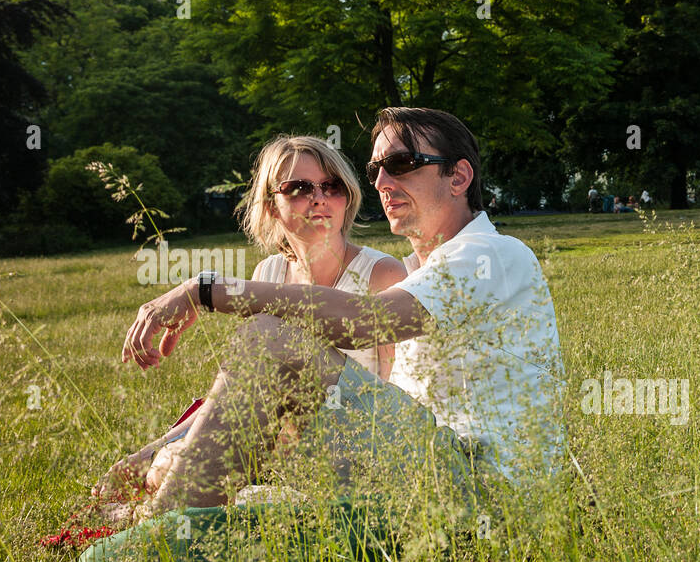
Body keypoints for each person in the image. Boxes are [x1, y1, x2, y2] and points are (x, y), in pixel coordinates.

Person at [116, 107, 565, 517]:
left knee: (271, 339)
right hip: (426, 472)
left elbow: (368, 321)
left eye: (403, 164)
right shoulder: (420, 274)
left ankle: (152, 541)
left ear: (459, 177)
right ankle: (164, 525)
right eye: (376, 169)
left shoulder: (491, 253)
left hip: (481, 490)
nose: (382, 182)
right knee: (242, 466)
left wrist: (207, 289)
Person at [94, 135, 406, 504]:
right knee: (164, 463)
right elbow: (244, 388)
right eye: (299, 188)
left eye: (332, 185)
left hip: (351, 448)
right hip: (277, 441)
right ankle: (164, 520)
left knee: (189, 472)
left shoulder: (381, 274)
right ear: (272, 205)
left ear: (348, 195)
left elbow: (391, 390)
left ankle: (150, 534)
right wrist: (151, 449)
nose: (319, 197)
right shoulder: (269, 272)